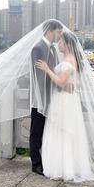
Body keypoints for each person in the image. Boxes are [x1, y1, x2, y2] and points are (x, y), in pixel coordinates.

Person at [36, 31, 93, 181]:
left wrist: (47, 69)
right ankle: (66, 166)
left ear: (67, 44)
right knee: (65, 132)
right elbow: (71, 83)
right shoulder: (69, 59)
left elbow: (61, 82)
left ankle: (62, 168)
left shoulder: (68, 60)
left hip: (64, 101)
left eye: (60, 41)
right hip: (67, 99)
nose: (58, 44)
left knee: (62, 132)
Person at [29, 19, 63, 175]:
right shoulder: (38, 48)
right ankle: (36, 163)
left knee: (47, 132)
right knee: (37, 132)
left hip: (51, 98)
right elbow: (39, 78)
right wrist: (44, 100)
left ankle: (47, 160)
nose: (59, 35)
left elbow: (54, 70)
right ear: (50, 31)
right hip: (40, 99)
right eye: (58, 32)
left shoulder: (53, 49)